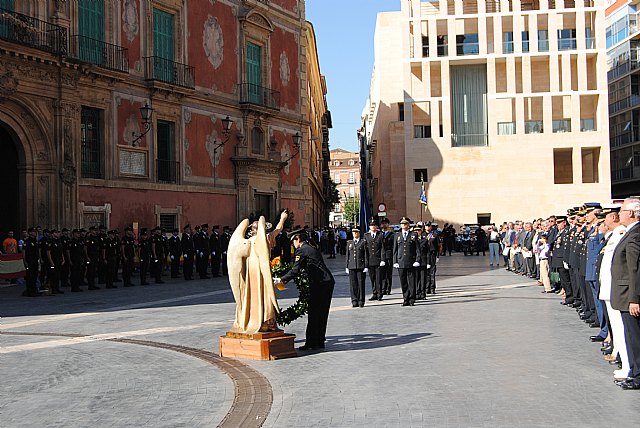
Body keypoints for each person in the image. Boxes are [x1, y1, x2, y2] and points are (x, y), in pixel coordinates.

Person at [227, 211, 289, 333]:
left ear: (252, 230)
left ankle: (248, 319)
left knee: (249, 294)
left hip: (250, 271)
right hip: (261, 269)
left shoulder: (246, 242)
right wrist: (282, 218)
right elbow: (278, 229)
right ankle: (266, 321)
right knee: (265, 293)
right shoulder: (266, 238)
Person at [276, 229, 335, 350]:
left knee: (313, 312)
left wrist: (281, 279)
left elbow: (295, 269)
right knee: (322, 313)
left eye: (293, 241)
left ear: (297, 239)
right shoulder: (310, 246)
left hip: (319, 284)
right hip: (327, 282)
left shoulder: (302, 250)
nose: (293, 244)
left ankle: (311, 343)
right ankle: (319, 341)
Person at [610, 197, 640, 390]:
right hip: (624, 294)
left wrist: (634, 299)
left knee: (635, 337)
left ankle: (638, 375)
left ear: (630, 213)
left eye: (621, 211)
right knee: (630, 336)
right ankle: (634, 372)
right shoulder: (630, 232)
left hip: (629, 295)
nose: (618, 214)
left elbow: (635, 269)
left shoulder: (635, 234)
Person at [393, 217, 420, 306]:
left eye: (405, 224)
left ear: (408, 225)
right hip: (401, 261)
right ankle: (406, 298)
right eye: (402, 224)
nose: (404, 225)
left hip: (411, 261)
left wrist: (417, 260)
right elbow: (395, 250)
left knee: (412, 281)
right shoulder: (397, 235)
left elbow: (417, 249)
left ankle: (412, 299)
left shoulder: (413, 235)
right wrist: (395, 261)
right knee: (403, 281)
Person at [346, 226, 368, 307]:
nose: (355, 234)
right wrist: (346, 266)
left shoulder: (363, 242)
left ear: (359, 233)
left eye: (356, 232)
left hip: (360, 265)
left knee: (361, 283)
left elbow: (365, 254)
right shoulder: (349, 243)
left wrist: (366, 265)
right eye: (353, 232)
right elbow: (347, 255)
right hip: (351, 266)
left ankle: (361, 300)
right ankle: (354, 300)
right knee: (353, 284)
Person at [364, 218, 384, 301]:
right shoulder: (366, 235)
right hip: (370, 260)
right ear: (369, 226)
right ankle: (374, 293)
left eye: (374, 225)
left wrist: (383, 259)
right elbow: (365, 249)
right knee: (372, 278)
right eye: (371, 225)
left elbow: (383, 248)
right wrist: (366, 261)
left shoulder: (380, 235)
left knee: (378, 278)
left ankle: (380, 294)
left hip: (378, 259)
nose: (373, 227)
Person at [23, 228, 40, 297]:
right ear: (30, 233)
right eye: (33, 232)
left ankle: (34, 290)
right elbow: (23, 252)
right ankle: (30, 291)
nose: (35, 233)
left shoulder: (35, 241)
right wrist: (25, 261)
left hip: (35, 261)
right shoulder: (27, 241)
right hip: (29, 261)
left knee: (35, 276)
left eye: (35, 232)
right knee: (30, 276)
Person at [380, 218, 394, 295]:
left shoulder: (392, 234)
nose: (384, 224)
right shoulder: (379, 234)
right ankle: (383, 288)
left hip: (389, 255)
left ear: (388, 224)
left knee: (388, 273)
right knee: (382, 273)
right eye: (383, 223)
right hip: (381, 256)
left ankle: (388, 289)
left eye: (386, 223)